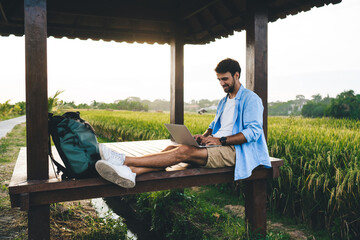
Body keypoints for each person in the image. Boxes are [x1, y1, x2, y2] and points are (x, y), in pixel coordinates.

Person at [95, 58, 271, 188]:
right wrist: (205, 136)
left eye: (224, 79)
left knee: (184, 151)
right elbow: (215, 123)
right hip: (217, 145)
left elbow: (253, 132)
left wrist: (221, 141)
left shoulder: (251, 99)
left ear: (236, 75)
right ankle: (132, 173)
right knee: (172, 149)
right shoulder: (224, 101)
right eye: (219, 80)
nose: (221, 83)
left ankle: (124, 161)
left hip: (236, 151)